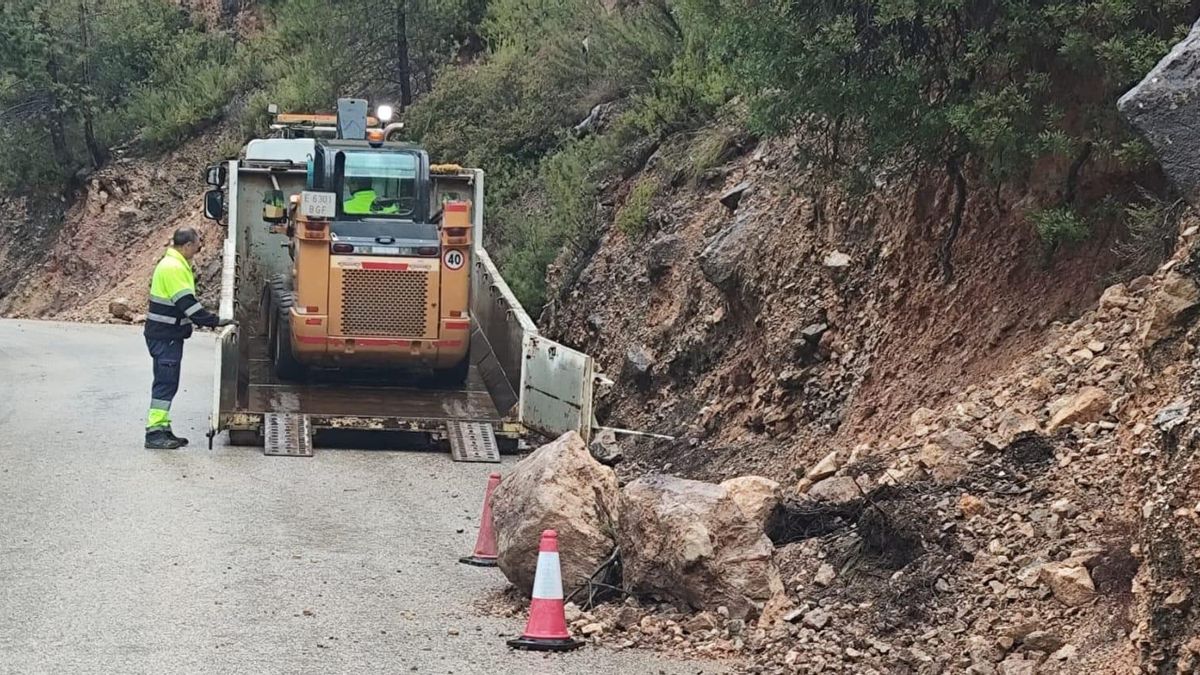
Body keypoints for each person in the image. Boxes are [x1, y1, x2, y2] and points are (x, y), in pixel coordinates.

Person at [143, 228, 233, 450]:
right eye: (196, 244)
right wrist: (215, 321)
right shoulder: (173, 268)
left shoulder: (173, 264)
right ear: (186, 246)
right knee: (165, 383)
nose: (199, 248)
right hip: (166, 336)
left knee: (168, 382)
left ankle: (162, 428)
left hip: (166, 335)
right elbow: (187, 304)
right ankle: (154, 432)